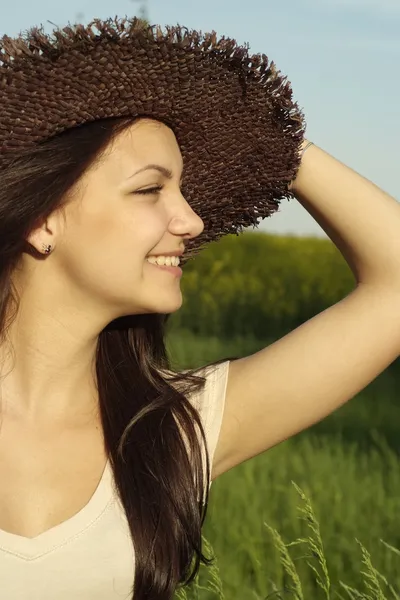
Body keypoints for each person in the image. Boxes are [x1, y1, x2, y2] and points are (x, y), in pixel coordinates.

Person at [0, 15, 400, 600]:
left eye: (183, 190)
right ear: (43, 218)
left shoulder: (171, 431)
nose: (191, 221)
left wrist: (273, 139)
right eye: (149, 189)